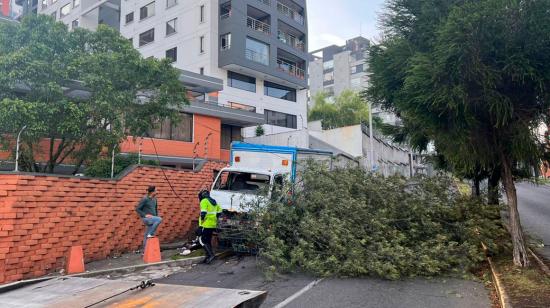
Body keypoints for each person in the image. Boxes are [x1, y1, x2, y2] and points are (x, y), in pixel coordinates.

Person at [197, 189, 222, 264]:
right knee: (208, 240)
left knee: (202, 240)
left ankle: (211, 255)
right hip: (212, 224)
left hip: (205, 224)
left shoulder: (204, 201)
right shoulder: (214, 201)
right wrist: (214, 218)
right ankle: (207, 257)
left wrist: (201, 225)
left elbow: (203, 213)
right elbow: (219, 211)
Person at [136, 186, 162, 253]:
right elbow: (137, 209)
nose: (157, 192)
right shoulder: (145, 199)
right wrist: (145, 215)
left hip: (153, 218)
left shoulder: (155, 199)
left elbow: (155, 210)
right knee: (159, 219)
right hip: (146, 219)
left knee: (146, 234)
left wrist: (156, 216)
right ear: (152, 192)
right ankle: (150, 234)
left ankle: (145, 252)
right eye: (156, 190)